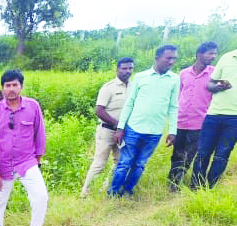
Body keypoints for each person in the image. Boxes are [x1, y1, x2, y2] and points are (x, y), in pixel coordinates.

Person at [0, 69, 49, 226]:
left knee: (41, 197)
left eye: (15, 85)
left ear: (21, 86)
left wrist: (38, 160)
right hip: (3, 165)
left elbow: (39, 134)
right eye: (7, 85)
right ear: (2, 88)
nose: (11, 89)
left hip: (27, 162)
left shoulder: (33, 106)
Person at [108, 45, 180, 197]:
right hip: (134, 129)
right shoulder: (141, 77)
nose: (172, 61)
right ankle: (113, 193)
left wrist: (172, 131)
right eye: (168, 58)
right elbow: (130, 103)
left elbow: (173, 107)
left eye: (174, 58)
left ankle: (127, 191)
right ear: (157, 58)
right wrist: (121, 128)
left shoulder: (174, 79)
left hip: (155, 132)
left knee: (140, 164)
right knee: (124, 163)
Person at [80, 57, 135, 196]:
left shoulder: (133, 86)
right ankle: (85, 194)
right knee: (99, 163)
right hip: (107, 131)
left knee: (120, 163)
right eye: (124, 68)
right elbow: (99, 110)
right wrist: (117, 125)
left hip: (123, 133)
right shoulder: (108, 87)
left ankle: (106, 189)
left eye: (130, 68)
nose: (127, 71)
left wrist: (123, 128)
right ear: (117, 69)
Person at [167, 42, 218, 190]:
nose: (213, 56)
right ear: (199, 54)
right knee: (177, 153)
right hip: (180, 121)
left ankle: (176, 183)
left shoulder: (214, 74)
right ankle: (173, 181)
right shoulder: (183, 73)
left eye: (215, 53)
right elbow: (177, 95)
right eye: (210, 53)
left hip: (200, 123)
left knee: (189, 155)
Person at [191, 47, 237, 189]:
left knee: (222, 155)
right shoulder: (227, 57)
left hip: (234, 119)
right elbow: (210, 84)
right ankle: (195, 187)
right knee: (203, 152)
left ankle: (210, 188)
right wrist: (219, 86)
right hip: (213, 115)